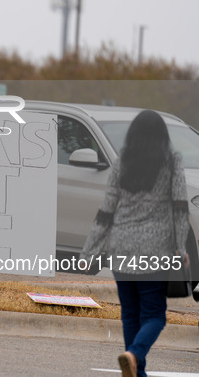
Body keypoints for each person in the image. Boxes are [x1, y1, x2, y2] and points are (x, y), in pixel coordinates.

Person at [80, 110, 190, 377]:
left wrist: (89, 252)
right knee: (154, 316)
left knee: (130, 314)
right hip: (154, 251)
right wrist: (181, 247)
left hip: (121, 248)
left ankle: (135, 371)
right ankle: (134, 354)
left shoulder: (122, 162)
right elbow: (179, 208)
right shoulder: (172, 161)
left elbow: (106, 211)